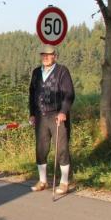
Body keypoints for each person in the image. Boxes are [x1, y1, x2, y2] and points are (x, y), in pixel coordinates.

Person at [29, 45, 75, 195]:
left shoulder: (62, 71)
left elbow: (69, 94)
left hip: (57, 116)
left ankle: (64, 182)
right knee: (41, 149)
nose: (46, 57)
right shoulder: (36, 72)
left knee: (61, 149)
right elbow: (32, 94)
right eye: (43, 55)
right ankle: (42, 181)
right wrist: (32, 113)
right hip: (41, 116)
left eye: (49, 55)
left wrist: (63, 111)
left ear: (55, 56)